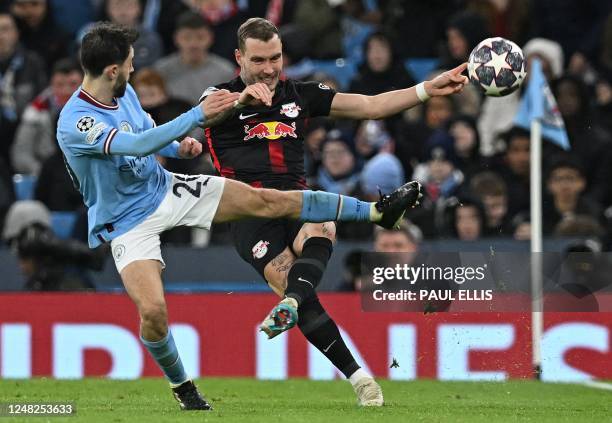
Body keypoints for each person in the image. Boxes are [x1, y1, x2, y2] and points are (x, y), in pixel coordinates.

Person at [56, 22, 424, 411]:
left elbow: (148, 129)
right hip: (127, 221)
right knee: (153, 314)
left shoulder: (124, 92)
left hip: (166, 188)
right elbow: (136, 143)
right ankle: (184, 389)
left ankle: (375, 212)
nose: (132, 70)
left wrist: (182, 147)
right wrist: (195, 116)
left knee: (268, 200)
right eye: (128, 64)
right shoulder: (76, 122)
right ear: (112, 69)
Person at [200, 17, 467, 407]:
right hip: (245, 210)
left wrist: (427, 89)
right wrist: (242, 100)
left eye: (276, 57)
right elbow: (200, 116)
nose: (270, 68)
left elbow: (370, 106)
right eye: (259, 60)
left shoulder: (299, 94)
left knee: (321, 224)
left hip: (294, 199)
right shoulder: (219, 95)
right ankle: (357, 374)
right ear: (239, 57)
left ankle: (355, 377)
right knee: (300, 292)